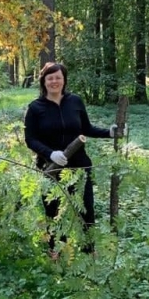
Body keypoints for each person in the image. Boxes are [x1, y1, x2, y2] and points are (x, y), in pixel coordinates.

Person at [24, 62, 123, 256]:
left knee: (86, 210)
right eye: (50, 78)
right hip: (50, 168)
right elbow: (30, 139)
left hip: (79, 167)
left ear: (64, 80)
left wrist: (110, 133)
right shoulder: (35, 108)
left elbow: (86, 128)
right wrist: (49, 153)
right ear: (43, 81)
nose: (54, 81)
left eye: (58, 77)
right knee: (53, 212)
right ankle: (56, 252)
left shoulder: (75, 101)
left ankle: (89, 251)